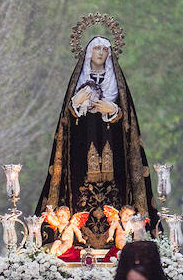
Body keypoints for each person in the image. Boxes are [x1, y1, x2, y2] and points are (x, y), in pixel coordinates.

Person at [35, 28, 159, 245]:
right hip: (81, 153)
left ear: (109, 54)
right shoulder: (79, 82)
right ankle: (73, 241)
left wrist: (112, 110)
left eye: (104, 49)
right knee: (78, 193)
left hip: (114, 152)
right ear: (89, 53)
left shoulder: (117, 85)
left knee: (118, 195)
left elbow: (128, 122)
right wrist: (77, 105)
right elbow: (67, 121)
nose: (100, 52)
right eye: (96, 48)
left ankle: (123, 239)